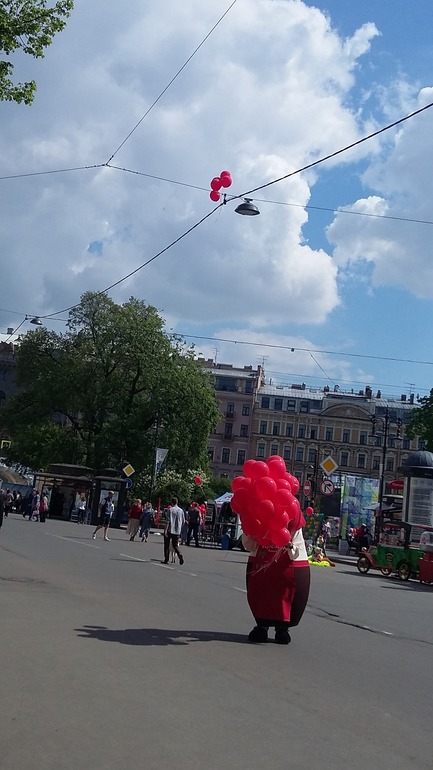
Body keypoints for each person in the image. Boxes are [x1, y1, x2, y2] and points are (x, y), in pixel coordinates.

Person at [242, 505, 310, 645]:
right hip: (262, 561)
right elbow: (250, 544)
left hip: (287, 564)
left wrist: (290, 545)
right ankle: (262, 626)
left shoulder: (293, 519)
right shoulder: (260, 517)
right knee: (261, 593)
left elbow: (297, 546)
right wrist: (248, 531)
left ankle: (282, 628)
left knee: (286, 595)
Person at [163, 497, 185, 565]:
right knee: (175, 545)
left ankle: (166, 559)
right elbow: (183, 521)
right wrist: (180, 527)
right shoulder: (181, 510)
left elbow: (168, 521)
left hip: (170, 529)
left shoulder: (170, 510)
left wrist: (165, 530)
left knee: (167, 544)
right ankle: (179, 554)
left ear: (172, 502)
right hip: (177, 530)